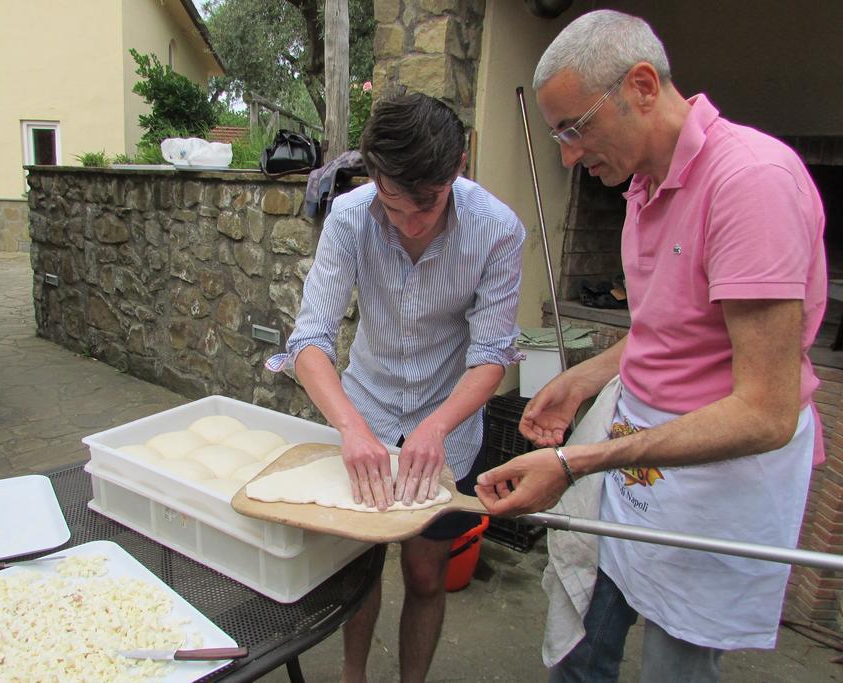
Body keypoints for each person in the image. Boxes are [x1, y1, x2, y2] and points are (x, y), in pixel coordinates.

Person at [475, 9, 826, 682]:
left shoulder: (750, 183)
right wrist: (586, 379)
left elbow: (765, 410)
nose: (569, 156)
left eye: (575, 129)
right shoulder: (641, 181)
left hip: (712, 475)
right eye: (558, 135)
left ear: (640, 85)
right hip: (637, 453)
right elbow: (672, 328)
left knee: (675, 664)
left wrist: (579, 461)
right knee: (584, 630)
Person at [266, 93, 525, 682]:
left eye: (426, 208)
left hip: (448, 426)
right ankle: (353, 675)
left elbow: (491, 356)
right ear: (373, 175)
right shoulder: (351, 216)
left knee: (427, 575)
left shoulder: (498, 231)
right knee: (356, 569)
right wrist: (352, 429)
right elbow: (309, 340)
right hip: (369, 410)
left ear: (458, 165)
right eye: (394, 205)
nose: (410, 224)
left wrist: (437, 425)